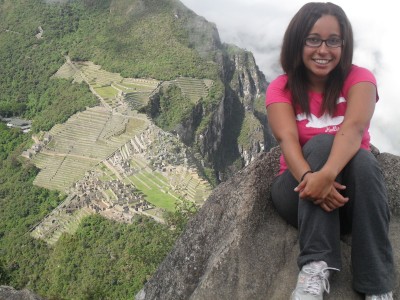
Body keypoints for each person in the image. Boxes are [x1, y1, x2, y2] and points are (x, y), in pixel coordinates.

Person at [265, 2, 395, 300]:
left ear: (344, 44)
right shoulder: (281, 87)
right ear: (298, 42)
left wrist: (326, 176)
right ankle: (314, 267)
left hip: (348, 198)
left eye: (333, 40)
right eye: (313, 39)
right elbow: (287, 139)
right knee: (323, 143)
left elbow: (354, 130)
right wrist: (314, 180)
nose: (323, 50)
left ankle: (377, 286)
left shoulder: (359, 79)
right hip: (296, 191)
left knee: (362, 159)